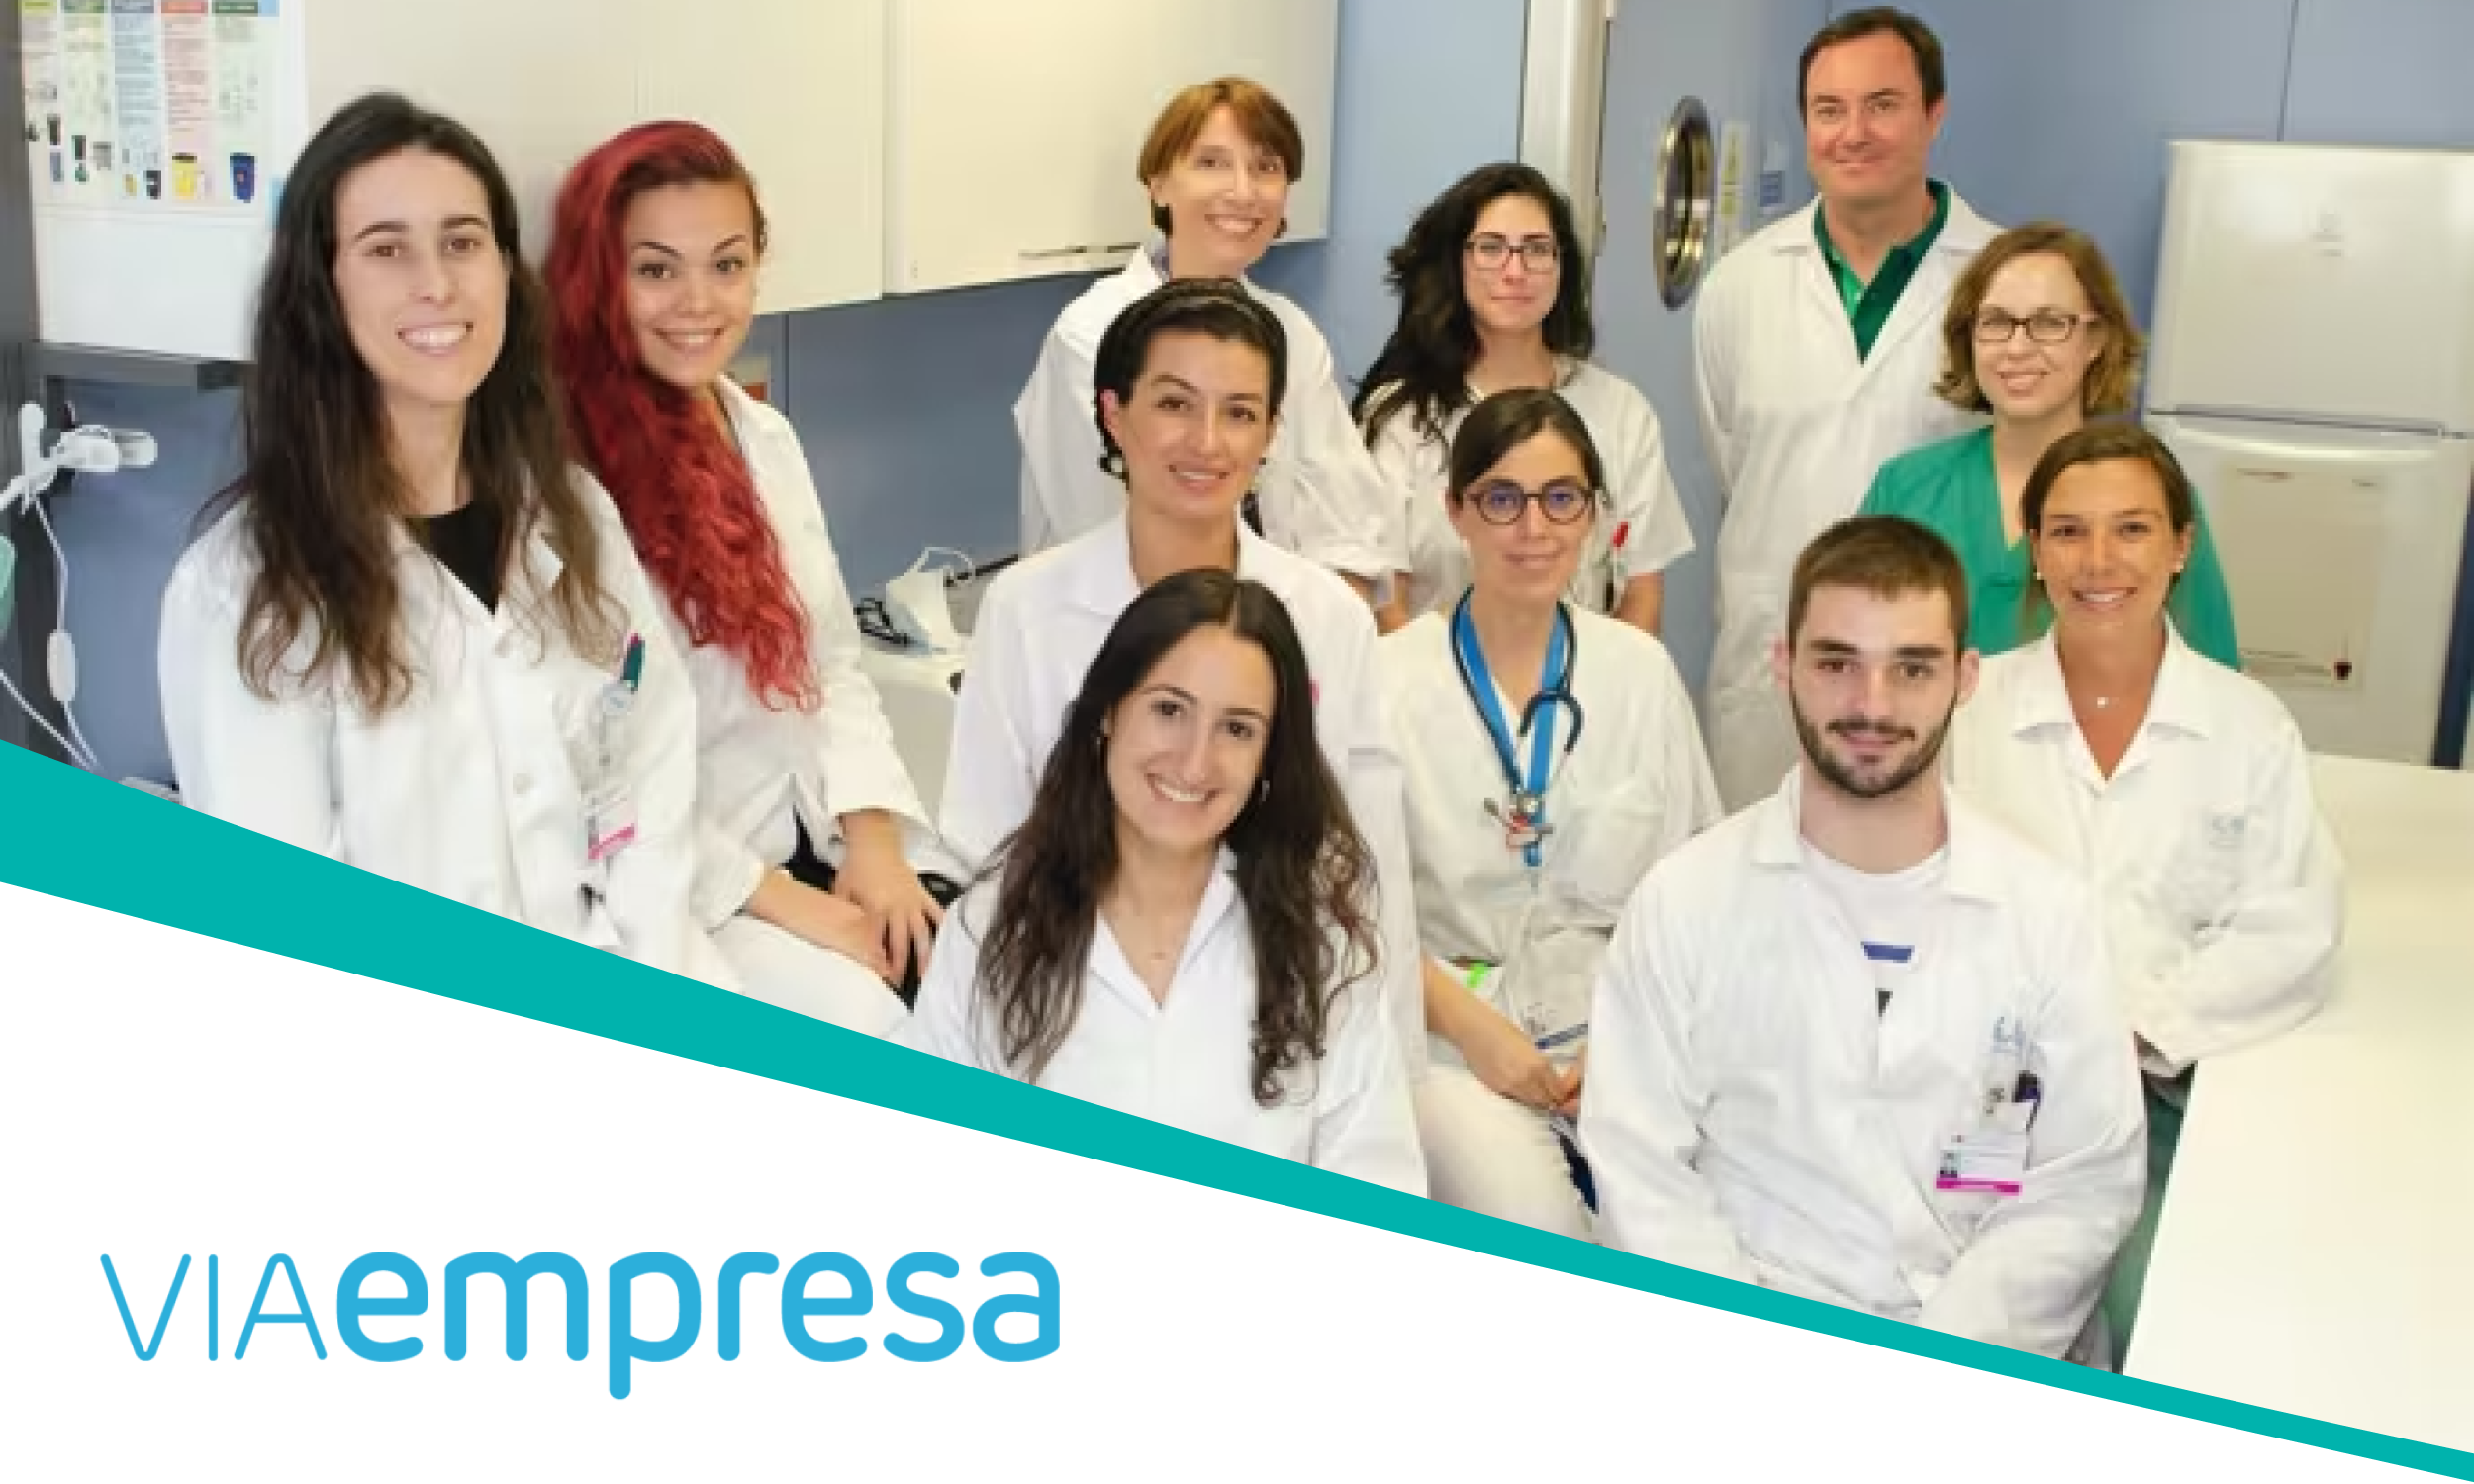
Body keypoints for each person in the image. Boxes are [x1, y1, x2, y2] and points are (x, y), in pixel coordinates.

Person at [158, 94, 723, 984]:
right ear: (322, 288)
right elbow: (292, 926)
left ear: (505, 270)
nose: (437, 283)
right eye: (387, 250)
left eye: (462, 242)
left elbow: (651, 777)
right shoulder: (245, 591)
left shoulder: (574, 515)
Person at [1583, 515, 2145, 1359]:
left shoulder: (2048, 914)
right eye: (1837, 663)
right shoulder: (1684, 902)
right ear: (1783, 665)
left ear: (1965, 677)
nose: (1872, 705)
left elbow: (2081, 1184)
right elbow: (1642, 1172)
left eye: (1911, 668)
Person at [943, 278, 1425, 1074]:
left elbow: (1367, 870)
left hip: (1276, 1008)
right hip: (1073, 1000)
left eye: (1239, 413)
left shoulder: (1324, 617)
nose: (1207, 442)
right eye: (1174, 404)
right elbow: (987, 849)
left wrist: (1394, 1074)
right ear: (1113, 414)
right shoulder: (1027, 610)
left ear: (1270, 433)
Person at [546, 121, 946, 1035]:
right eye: (656, 270)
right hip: (699, 887)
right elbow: (602, 777)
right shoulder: (566, 486)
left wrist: (874, 845)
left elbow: (829, 658)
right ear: (598, 280)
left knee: (994, 984)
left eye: (726, 265)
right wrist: (803, 908)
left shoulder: (760, 432)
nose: (698, 301)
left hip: (817, 835)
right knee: (885, 1037)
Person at [1948, 423, 2341, 1351]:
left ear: (2180, 547)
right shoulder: (1968, 710)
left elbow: (2291, 928)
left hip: (2157, 1095)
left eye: (2131, 528)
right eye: (2068, 531)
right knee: (1950, 1285)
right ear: (2034, 551)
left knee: (2153, 1317)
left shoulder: (2246, 727)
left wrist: (2131, 1029)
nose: (2099, 560)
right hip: (1978, 1088)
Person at [907, 570, 1423, 1192]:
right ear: (1109, 712)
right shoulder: (990, 929)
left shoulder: (1327, 951)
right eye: (1169, 710)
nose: (1195, 763)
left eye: (1237, 729)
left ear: (1268, 758)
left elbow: (1376, 1183)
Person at [1382, 388, 1718, 1238]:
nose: (1533, 528)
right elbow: (1354, 915)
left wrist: (1622, 1044)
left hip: (1622, 1027)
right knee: (1536, 1225)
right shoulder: (1386, 683)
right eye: (1502, 498)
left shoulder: (1640, 675)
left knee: (1686, 1232)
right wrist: (1476, 1032)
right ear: (1456, 511)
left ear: (1594, 515)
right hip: (1453, 1034)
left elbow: (1701, 900)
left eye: (1560, 498)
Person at [1694, 7, 1999, 809]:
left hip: (1933, 664)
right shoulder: (1739, 286)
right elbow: (1735, 465)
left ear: (1934, 113)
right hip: (1773, 659)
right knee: (1764, 866)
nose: (1853, 133)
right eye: (1828, 109)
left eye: (1883, 105)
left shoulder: (2000, 279)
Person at [1013, 77, 1398, 600]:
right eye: (1211, 163)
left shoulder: (1292, 333)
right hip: (1120, 628)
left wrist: (1327, 623)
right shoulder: (1092, 335)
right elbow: (1112, 541)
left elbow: (1350, 526)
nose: (1242, 191)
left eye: (1265, 168)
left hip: (1282, 624)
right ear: (1158, 184)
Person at [1860, 222, 2240, 665]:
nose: (2017, 348)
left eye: (2049, 323)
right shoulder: (1905, 489)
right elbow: (1854, 645)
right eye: (1996, 322)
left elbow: (2211, 677)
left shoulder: (2154, 497)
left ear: (2095, 339)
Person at [1358, 163, 1693, 635]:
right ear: (1455, 262)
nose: (1515, 271)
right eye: (1491, 248)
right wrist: (1439, 681)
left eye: (1536, 249)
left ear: (1561, 266)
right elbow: (1384, 604)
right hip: (1434, 676)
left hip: (1585, 677)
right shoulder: (1399, 419)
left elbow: (1641, 595)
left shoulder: (1620, 412)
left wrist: (1606, 679)